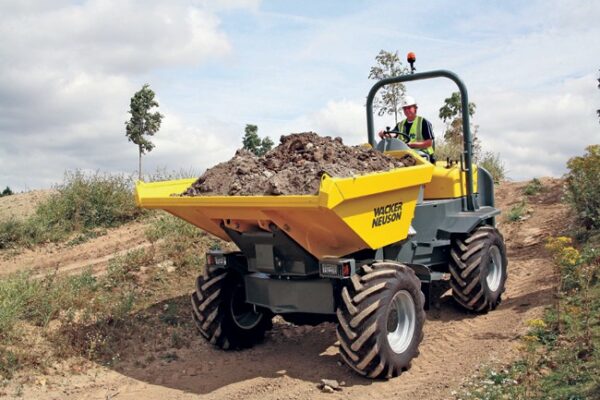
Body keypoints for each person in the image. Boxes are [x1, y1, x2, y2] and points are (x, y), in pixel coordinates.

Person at [378, 96, 435, 162]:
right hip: (405, 154)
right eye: (405, 108)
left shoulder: (423, 122)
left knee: (410, 158)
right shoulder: (400, 124)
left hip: (423, 154)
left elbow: (429, 143)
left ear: (415, 108)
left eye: (409, 108)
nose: (407, 110)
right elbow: (393, 135)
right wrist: (385, 133)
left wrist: (412, 144)